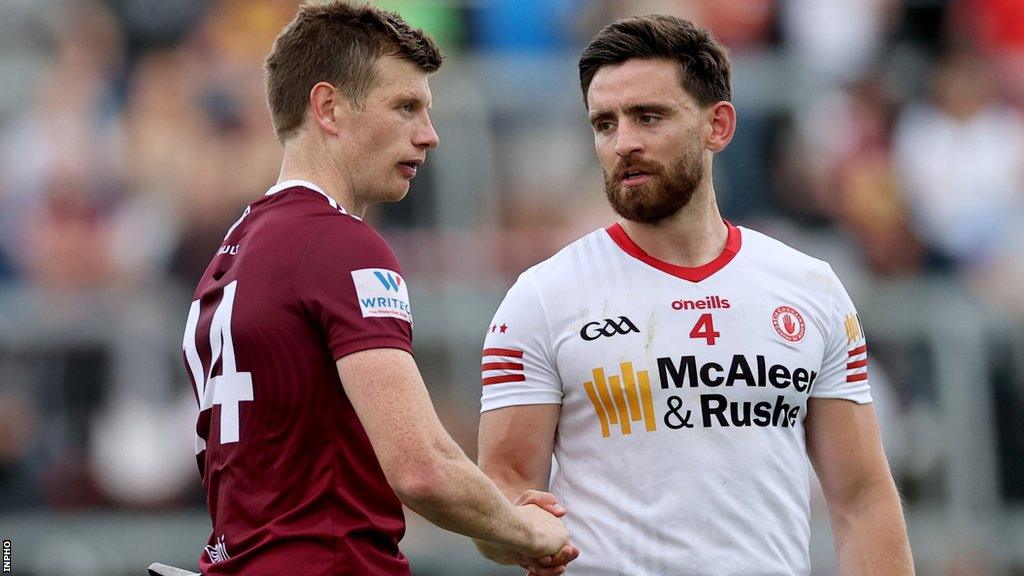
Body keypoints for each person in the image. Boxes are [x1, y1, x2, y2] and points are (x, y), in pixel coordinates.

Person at [476, 14, 914, 576]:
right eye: (604, 124)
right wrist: (518, 532)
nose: (623, 143)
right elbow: (504, 491)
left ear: (719, 126)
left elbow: (863, 500)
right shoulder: (541, 297)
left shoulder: (811, 288)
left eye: (648, 117)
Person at [180, 2, 578, 575]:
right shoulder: (339, 244)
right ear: (329, 108)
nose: (431, 135)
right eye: (405, 107)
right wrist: (526, 529)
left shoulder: (235, 248)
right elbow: (421, 466)